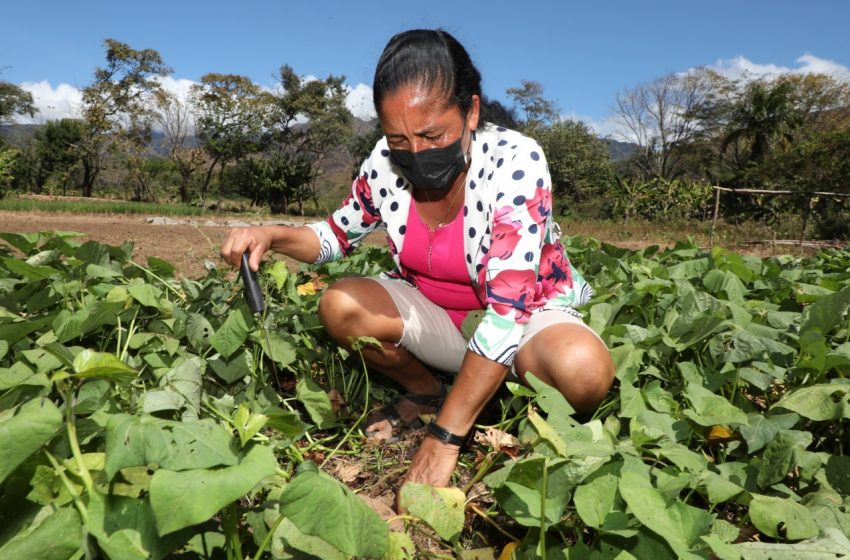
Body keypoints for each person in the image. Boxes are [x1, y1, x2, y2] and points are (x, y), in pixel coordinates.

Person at [220, 29, 615, 491]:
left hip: (525, 317)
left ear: (470, 111)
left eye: (432, 135)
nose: (416, 154)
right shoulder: (385, 163)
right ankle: (427, 391)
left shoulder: (515, 161)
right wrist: (270, 234)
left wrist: (444, 439)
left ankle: (472, 399)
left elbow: (508, 310)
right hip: (436, 318)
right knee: (341, 305)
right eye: (399, 139)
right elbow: (332, 236)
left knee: (583, 373)